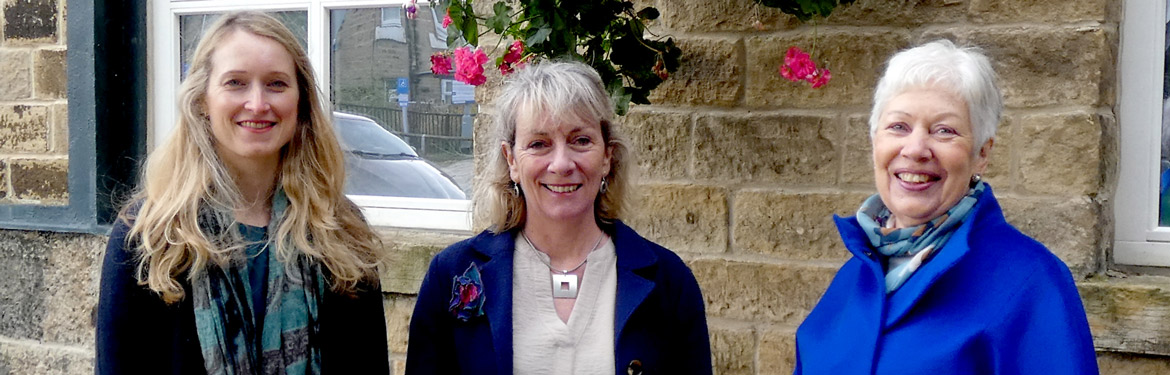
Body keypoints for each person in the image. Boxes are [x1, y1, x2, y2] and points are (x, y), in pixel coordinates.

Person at [96, 11, 389, 374]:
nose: (257, 103)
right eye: (235, 82)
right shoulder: (150, 236)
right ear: (202, 99)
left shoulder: (342, 231)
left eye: (277, 84)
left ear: (301, 103)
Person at [794, 40, 1098, 374]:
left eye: (944, 131)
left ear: (981, 153)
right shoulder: (857, 275)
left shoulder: (1032, 282)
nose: (916, 148)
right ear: (874, 141)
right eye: (899, 126)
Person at [405, 61, 712, 375]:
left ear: (607, 155)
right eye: (539, 144)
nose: (562, 164)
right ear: (511, 160)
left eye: (581, 141)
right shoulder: (451, 275)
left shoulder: (669, 281)